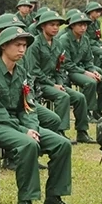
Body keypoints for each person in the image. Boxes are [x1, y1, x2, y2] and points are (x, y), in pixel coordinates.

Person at [0, 26, 78, 204]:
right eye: (17, 45)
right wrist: (23, 130)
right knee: (28, 144)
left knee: (62, 144)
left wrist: (31, 127)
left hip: (17, 124)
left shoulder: (21, 71)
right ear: (3, 46)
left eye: (24, 46)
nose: (22, 50)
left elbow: (28, 106)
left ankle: (54, 197)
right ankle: (25, 201)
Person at [27, 11, 91, 143]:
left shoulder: (57, 44)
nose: (55, 28)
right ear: (43, 26)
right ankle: (60, 131)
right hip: (39, 84)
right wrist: (53, 85)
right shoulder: (35, 44)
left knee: (79, 97)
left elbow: (60, 67)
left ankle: (82, 131)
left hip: (54, 82)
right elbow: (34, 71)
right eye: (52, 25)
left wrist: (60, 83)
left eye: (57, 25)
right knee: (63, 96)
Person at [59, 12, 102, 121]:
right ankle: (86, 112)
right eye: (80, 25)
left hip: (81, 68)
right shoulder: (65, 39)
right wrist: (86, 73)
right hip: (69, 71)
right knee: (90, 82)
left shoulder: (85, 39)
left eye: (85, 25)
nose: (83, 28)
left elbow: (88, 60)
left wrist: (92, 70)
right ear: (72, 26)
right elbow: (66, 64)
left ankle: (98, 110)